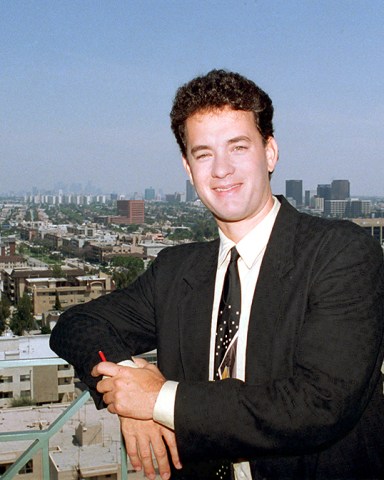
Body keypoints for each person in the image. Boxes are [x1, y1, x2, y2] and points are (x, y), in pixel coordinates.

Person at [50, 69, 384, 480]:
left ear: (270, 152)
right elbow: (77, 324)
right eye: (203, 153)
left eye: (238, 147)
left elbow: (318, 403)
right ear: (188, 169)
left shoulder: (340, 253)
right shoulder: (176, 271)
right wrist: (127, 391)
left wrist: (159, 400)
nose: (221, 169)